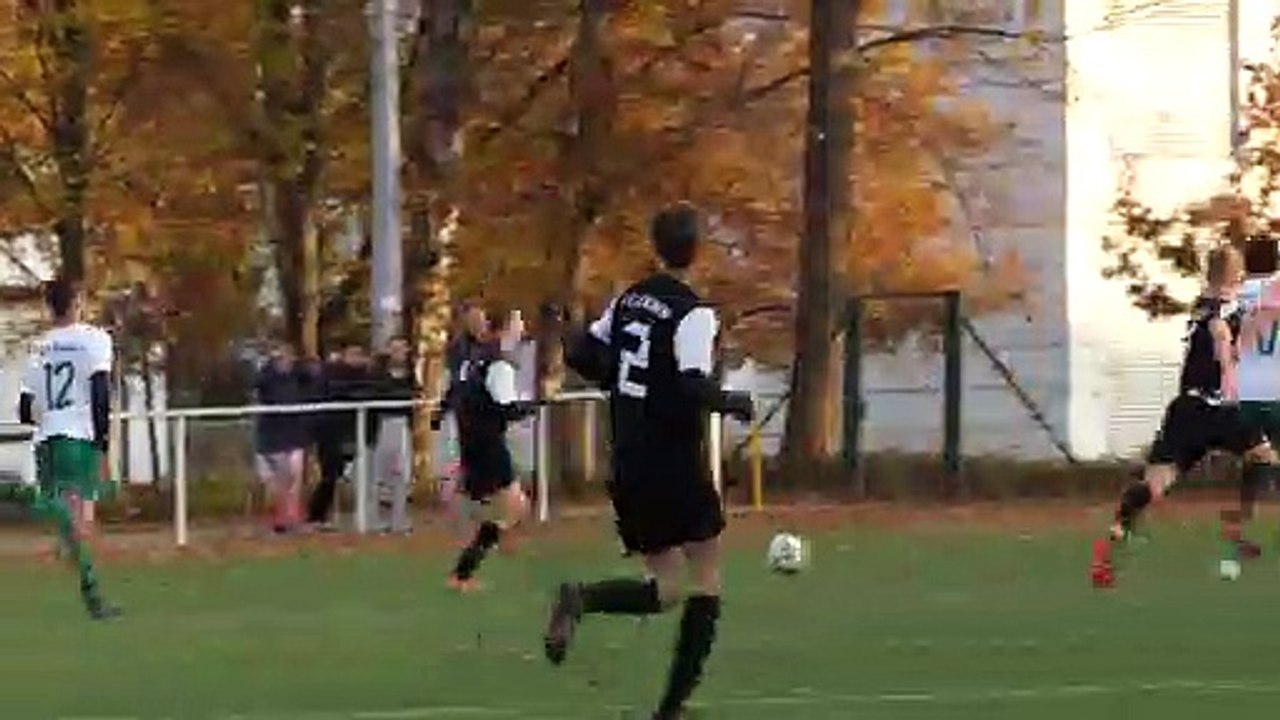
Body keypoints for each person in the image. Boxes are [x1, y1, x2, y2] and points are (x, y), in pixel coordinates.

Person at [541, 204, 753, 720]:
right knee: (706, 578)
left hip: (628, 461)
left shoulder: (628, 301)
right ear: (697, 251)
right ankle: (672, 709)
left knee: (666, 589)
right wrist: (732, 401)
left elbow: (584, 355)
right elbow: (691, 383)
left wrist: (575, 337)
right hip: (673, 460)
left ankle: (582, 598)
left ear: (655, 248)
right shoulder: (693, 313)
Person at [1091, 246, 1278, 588]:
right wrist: (1230, 362)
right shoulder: (1223, 308)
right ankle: (1237, 527)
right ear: (1234, 273)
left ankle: (1114, 535)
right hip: (1215, 407)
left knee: (1155, 484)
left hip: (1185, 410)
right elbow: (1221, 334)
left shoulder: (1202, 304)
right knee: (1263, 456)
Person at [18, 279, 120, 620]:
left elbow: (24, 409)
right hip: (78, 438)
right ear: (77, 302)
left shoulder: (38, 346)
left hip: (47, 440)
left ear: (50, 307)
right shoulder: (95, 339)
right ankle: (94, 599)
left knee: (68, 523)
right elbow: (100, 391)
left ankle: (92, 594)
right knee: (80, 522)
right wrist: (103, 442)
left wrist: (49, 415)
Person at [443, 308, 535, 590]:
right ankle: (464, 571)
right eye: (517, 325)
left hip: (476, 441)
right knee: (512, 508)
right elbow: (505, 408)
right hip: (488, 445)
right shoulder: (497, 363)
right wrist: (534, 405)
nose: (521, 330)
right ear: (503, 330)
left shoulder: (477, 358)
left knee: (508, 506)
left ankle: (471, 563)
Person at [307, 342, 373, 529]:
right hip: (330, 433)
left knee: (358, 474)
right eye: (352, 354)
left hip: (356, 433)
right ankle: (317, 515)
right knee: (330, 475)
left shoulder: (368, 377)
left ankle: (363, 514)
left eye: (359, 354)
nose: (356, 358)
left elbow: (369, 394)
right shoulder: (330, 374)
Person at [253, 340, 315, 534]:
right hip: (273, 435)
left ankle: (292, 517)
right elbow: (259, 386)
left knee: (296, 475)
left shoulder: (299, 376)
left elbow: (312, 379)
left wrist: (301, 364)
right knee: (282, 476)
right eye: (280, 357)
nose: (284, 361)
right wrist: (269, 366)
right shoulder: (267, 376)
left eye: (287, 356)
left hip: (294, 433)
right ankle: (280, 517)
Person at [370, 336, 418, 534]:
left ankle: (399, 519)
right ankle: (380, 520)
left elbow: (413, 395)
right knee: (382, 474)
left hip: (402, 424)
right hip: (383, 424)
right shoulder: (378, 373)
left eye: (402, 349)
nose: (398, 353)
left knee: (401, 473)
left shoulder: (410, 374)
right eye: (394, 349)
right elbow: (377, 394)